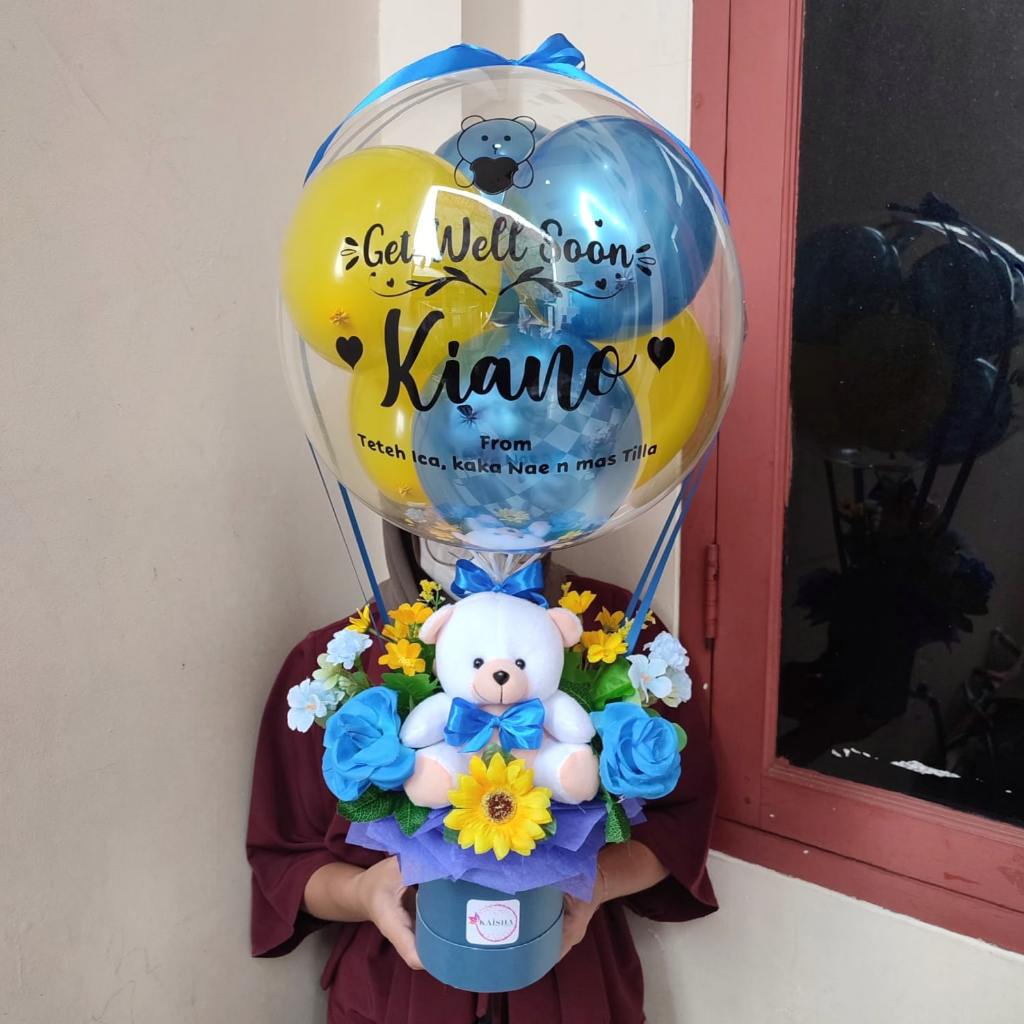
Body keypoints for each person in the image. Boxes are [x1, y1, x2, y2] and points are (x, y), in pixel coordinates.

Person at [247, 525, 718, 1024]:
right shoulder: (339, 657)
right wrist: (366, 894)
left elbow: (680, 824)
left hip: (569, 979)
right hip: (397, 992)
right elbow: (287, 859)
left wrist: (594, 882)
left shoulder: (617, 632)